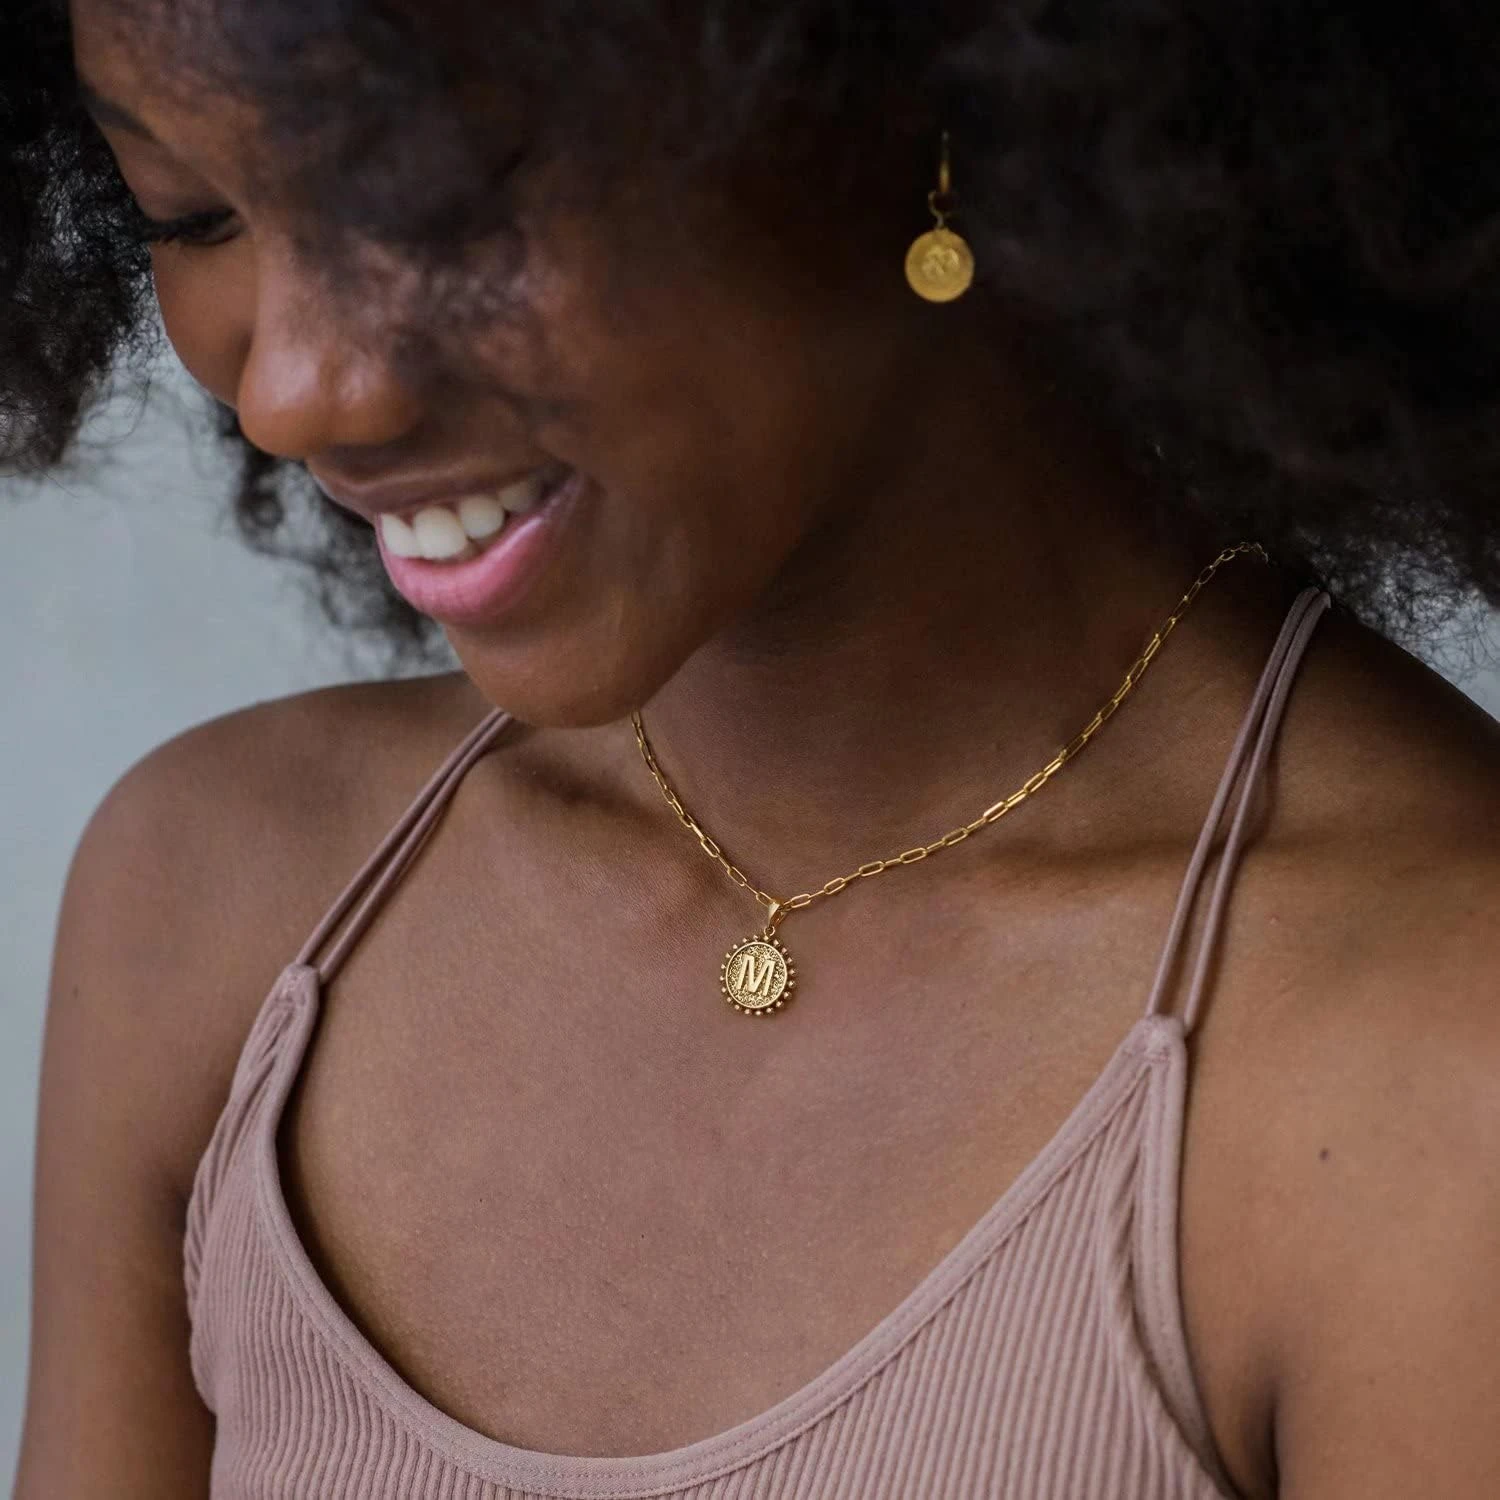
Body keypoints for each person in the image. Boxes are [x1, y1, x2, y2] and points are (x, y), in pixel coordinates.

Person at [7, 2, 1500, 1496]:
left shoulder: (1426, 1071)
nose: (292, 392)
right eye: (193, 214)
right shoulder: (218, 909)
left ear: (904, 77)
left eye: (428, 199)